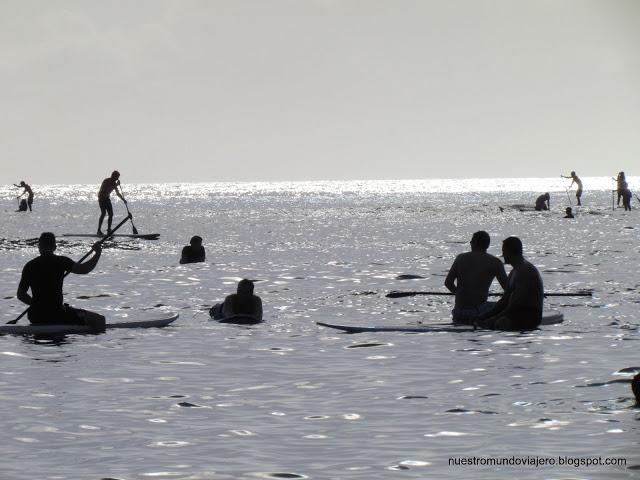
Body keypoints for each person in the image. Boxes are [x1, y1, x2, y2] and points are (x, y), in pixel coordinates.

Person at [16, 232, 105, 331]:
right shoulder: (61, 261)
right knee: (100, 320)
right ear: (54, 247)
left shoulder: (29, 266)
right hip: (57, 314)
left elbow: (21, 295)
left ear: (39, 247)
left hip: (35, 316)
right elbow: (84, 269)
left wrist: (36, 304)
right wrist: (97, 253)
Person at [477, 236, 544, 331]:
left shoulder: (525, 271)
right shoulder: (514, 272)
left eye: (503, 251)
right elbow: (504, 300)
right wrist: (483, 316)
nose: (502, 254)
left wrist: (494, 319)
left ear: (509, 251)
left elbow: (517, 304)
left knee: (500, 322)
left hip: (529, 315)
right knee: (487, 319)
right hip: (516, 312)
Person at [444, 231, 508, 325]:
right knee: (502, 307)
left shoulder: (460, 258)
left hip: (459, 312)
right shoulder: (495, 262)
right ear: (487, 245)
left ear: (473, 243)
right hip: (479, 312)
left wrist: (460, 294)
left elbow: (448, 283)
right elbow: (508, 289)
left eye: (471, 242)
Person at [97, 170, 126, 236]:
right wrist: (116, 185)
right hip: (101, 198)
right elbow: (106, 189)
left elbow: (118, 193)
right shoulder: (106, 181)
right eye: (117, 177)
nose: (117, 179)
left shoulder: (114, 183)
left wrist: (123, 199)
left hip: (107, 198)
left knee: (111, 214)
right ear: (113, 176)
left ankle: (109, 229)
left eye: (118, 177)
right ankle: (98, 230)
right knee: (103, 213)